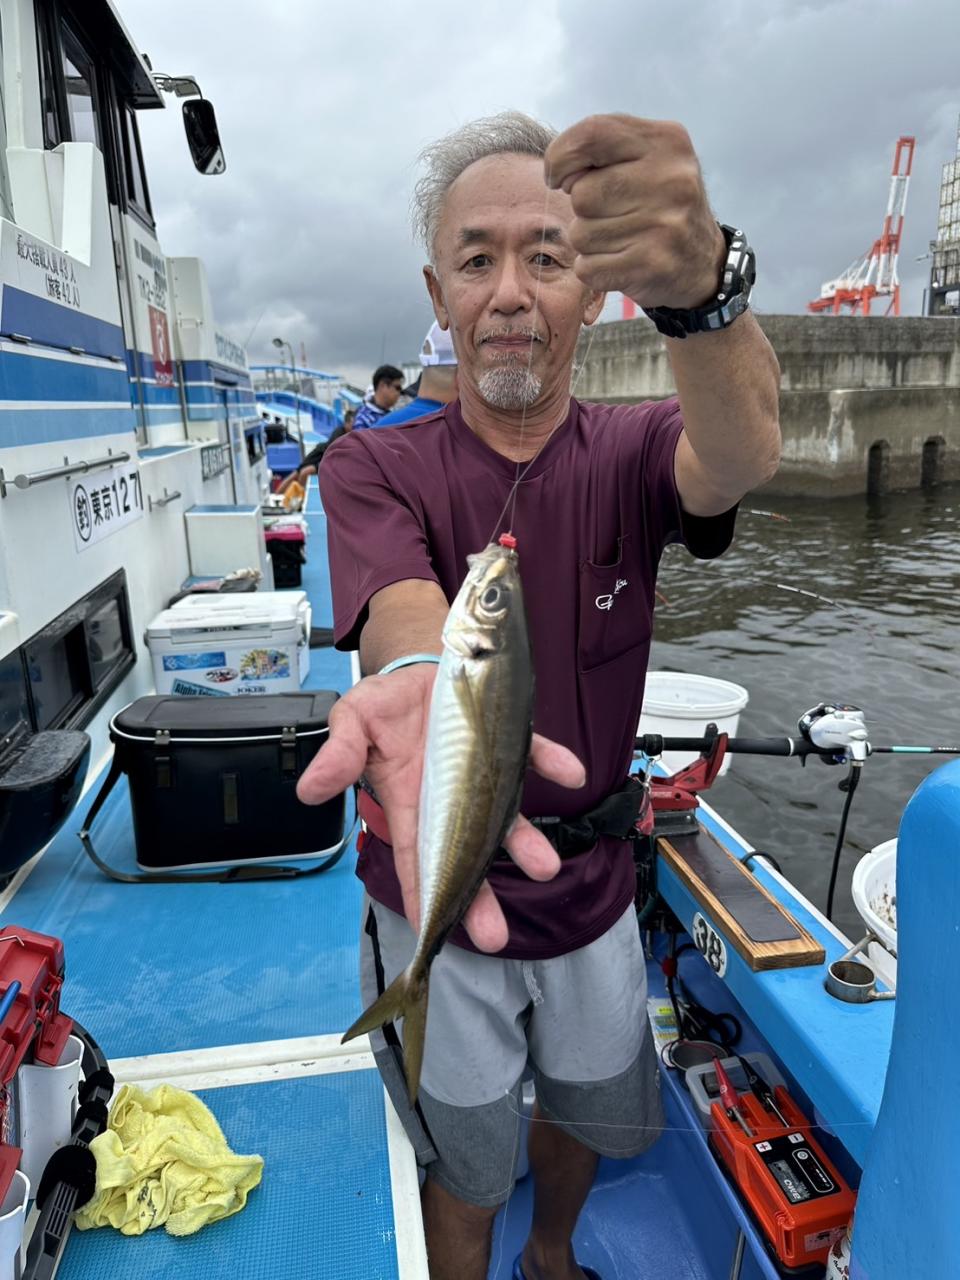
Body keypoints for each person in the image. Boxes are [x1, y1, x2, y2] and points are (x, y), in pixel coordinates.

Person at [298, 111, 780, 1280]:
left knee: (584, 1110)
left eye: (546, 256)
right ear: (440, 292)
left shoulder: (636, 449)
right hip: (436, 885)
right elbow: (404, 609)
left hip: (596, 887)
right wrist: (421, 674)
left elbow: (740, 453)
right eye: (477, 259)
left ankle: (552, 1256)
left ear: (595, 290)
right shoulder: (374, 459)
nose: (509, 291)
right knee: (466, 1160)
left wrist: (706, 295)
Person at [373, 322, 458, 427]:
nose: (399, 393)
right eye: (397, 387)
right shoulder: (463, 430)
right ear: (460, 377)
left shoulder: (378, 430)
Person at [277, 409, 356, 495]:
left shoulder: (351, 436)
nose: (354, 426)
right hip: (321, 455)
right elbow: (331, 454)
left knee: (304, 473)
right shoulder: (339, 433)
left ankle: (299, 496)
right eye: (352, 423)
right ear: (346, 423)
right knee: (296, 473)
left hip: (327, 459)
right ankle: (280, 495)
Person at [353, 365, 404, 429]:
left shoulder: (389, 414)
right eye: (397, 388)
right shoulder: (363, 419)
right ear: (383, 386)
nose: (399, 393)